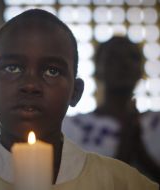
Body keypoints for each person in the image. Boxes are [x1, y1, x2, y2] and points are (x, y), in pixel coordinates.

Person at [0, 9, 158, 190]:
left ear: (75, 92)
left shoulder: (122, 183)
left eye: (52, 71)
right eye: (12, 68)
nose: (31, 85)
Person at [62, 36, 160, 183]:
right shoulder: (72, 127)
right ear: (97, 69)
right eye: (113, 56)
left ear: (141, 70)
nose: (124, 64)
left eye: (132, 57)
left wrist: (139, 149)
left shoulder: (156, 123)